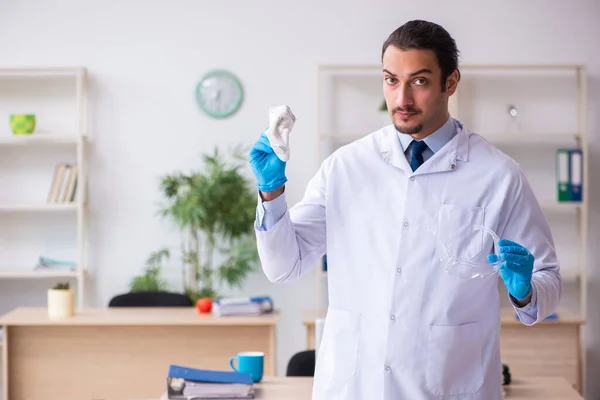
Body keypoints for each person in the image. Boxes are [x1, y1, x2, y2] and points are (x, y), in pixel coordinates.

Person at [248, 19, 561, 400]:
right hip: (353, 387)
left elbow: (549, 283)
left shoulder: (499, 175)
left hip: (450, 387)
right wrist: (271, 193)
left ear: (450, 82)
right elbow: (284, 266)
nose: (402, 99)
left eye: (419, 81)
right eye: (391, 80)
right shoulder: (346, 166)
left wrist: (526, 291)